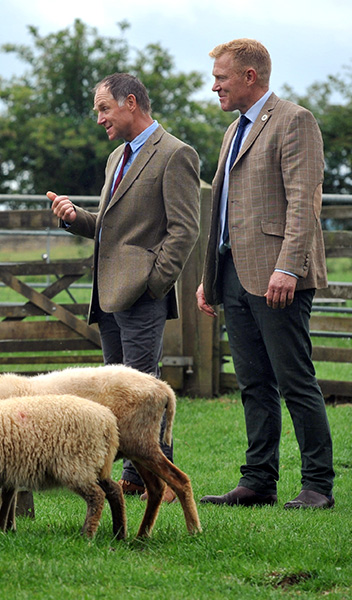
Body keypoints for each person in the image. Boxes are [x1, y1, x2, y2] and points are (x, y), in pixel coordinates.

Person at [48, 73, 200, 501]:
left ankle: (163, 480)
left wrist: (154, 283)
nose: (99, 118)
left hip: (142, 296)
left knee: (144, 392)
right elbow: (110, 227)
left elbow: (185, 230)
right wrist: (76, 218)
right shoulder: (117, 156)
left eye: (104, 108)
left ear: (130, 102)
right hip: (108, 295)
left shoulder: (176, 154)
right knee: (117, 393)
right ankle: (133, 476)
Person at [197, 39, 334, 509]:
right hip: (234, 273)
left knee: (295, 381)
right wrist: (210, 275)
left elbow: (304, 201)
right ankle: (257, 482)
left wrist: (288, 267)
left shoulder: (295, 120)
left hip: (279, 276)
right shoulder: (233, 131)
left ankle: (318, 486)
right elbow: (225, 210)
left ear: (249, 76)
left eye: (221, 77)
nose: (215, 86)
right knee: (253, 384)